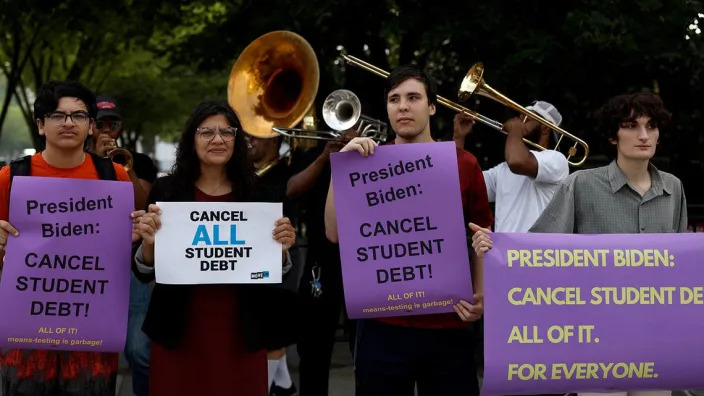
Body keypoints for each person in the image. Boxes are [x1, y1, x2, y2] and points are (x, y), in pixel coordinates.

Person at [471, 92, 686, 396]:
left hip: (654, 335)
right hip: (595, 335)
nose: (643, 135)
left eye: (651, 126)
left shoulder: (673, 189)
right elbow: (538, 247)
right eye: (631, 126)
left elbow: (677, 266)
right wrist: (493, 247)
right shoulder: (581, 184)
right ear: (613, 136)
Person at [324, 65, 493, 396]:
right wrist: (341, 166)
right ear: (387, 108)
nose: (403, 106)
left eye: (413, 97)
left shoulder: (464, 164)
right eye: (394, 99)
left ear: (431, 106)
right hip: (382, 326)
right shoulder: (364, 163)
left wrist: (481, 296)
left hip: (448, 322)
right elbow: (333, 232)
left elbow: (481, 234)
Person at [131, 100, 297, 396]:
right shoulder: (166, 192)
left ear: (238, 140)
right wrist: (147, 245)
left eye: (227, 132)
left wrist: (282, 249)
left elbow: (277, 271)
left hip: (242, 333)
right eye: (207, 132)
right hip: (178, 334)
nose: (218, 139)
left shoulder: (261, 194)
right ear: (191, 139)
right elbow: (144, 272)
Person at [0, 80, 139, 396]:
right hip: (26, 336)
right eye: (57, 115)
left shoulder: (113, 176)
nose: (68, 123)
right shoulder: (13, 177)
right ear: (40, 125)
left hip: (92, 335)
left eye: (78, 116)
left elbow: (124, 253)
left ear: (91, 126)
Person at [87, 94, 157, 396]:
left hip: (129, 262)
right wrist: (97, 162)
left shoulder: (137, 161)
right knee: (89, 350)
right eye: (100, 123)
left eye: (111, 123)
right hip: (87, 264)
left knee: (140, 351)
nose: (106, 129)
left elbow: (142, 202)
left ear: (120, 126)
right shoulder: (76, 158)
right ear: (90, 126)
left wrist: (122, 168)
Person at [286, 127, 355, 396]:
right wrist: (326, 157)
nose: (348, 129)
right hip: (321, 262)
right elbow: (291, 189)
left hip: (363, 263)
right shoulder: (317, 153)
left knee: (365, 346)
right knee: (314, 346)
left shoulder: (373, 154)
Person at [453, 101, 569, 232]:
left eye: (527, 119)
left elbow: (516, 161)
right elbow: (461, 185)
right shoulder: (503, 170)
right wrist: (459, 138)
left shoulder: (557, 160)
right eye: (520, 118)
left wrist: (515, 130)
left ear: (545, 128)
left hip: (537, 251)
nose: (520, 122)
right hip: (504, 251)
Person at [247, 133, 298, 396]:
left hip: (279, 254)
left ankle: (269, 388)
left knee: (273, 334)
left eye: (256, 136)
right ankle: (285, 386)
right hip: (251, 257)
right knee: (267, 330)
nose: (249, 140)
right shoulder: (243, 172)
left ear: (275, 141)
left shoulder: (288, 169)